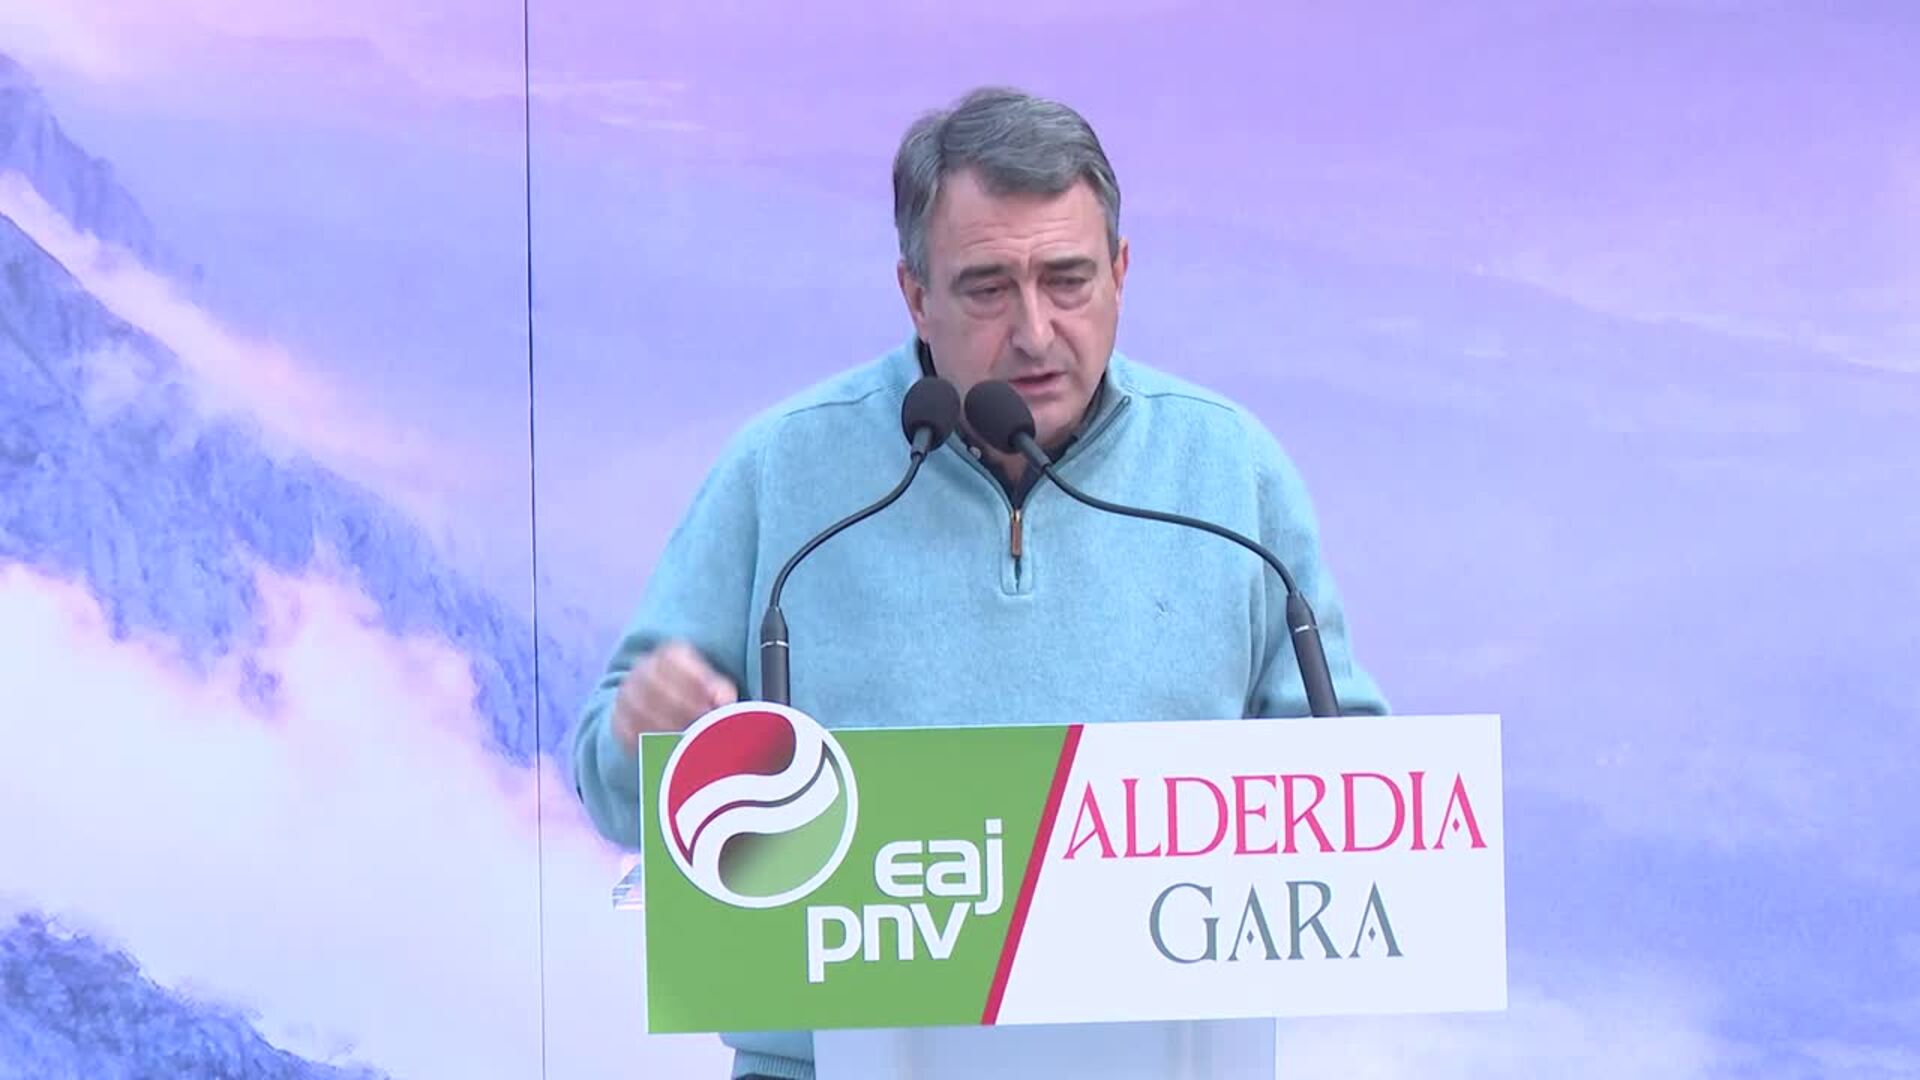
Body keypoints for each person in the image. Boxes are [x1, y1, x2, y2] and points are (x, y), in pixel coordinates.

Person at [571, 85, 1389, 1080]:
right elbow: (614, 784)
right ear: (915, 295)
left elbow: (1352, 785)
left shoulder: (1229, 472)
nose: (1035, 331)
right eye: (989, 289)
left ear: (1122, 273)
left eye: (1068, 280)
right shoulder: (783, 472)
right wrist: (647, 739)